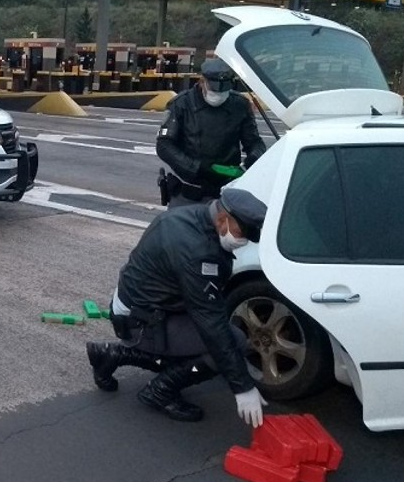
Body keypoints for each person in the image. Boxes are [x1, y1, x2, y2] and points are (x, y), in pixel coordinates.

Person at [86, 187, 268, 427]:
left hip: (137, 307)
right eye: (241, 233)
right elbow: (210, 323)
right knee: (230, 341)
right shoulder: (197, 251)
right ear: (223, 219)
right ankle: (160, 391)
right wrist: (242, 386)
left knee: (205, 344)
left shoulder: (192, 216)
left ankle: (112, 354)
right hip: (140, 320)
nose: (242, 241)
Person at [157, 58, 266, 207]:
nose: (219, 94)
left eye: (224, 89)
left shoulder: (239, 105)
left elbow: (254, 142)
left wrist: (251, 160)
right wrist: (195, 167)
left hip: (226, 189)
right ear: (203, 82)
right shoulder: (182, 104)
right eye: (214, 88)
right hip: (189, 190)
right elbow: (164, 145)